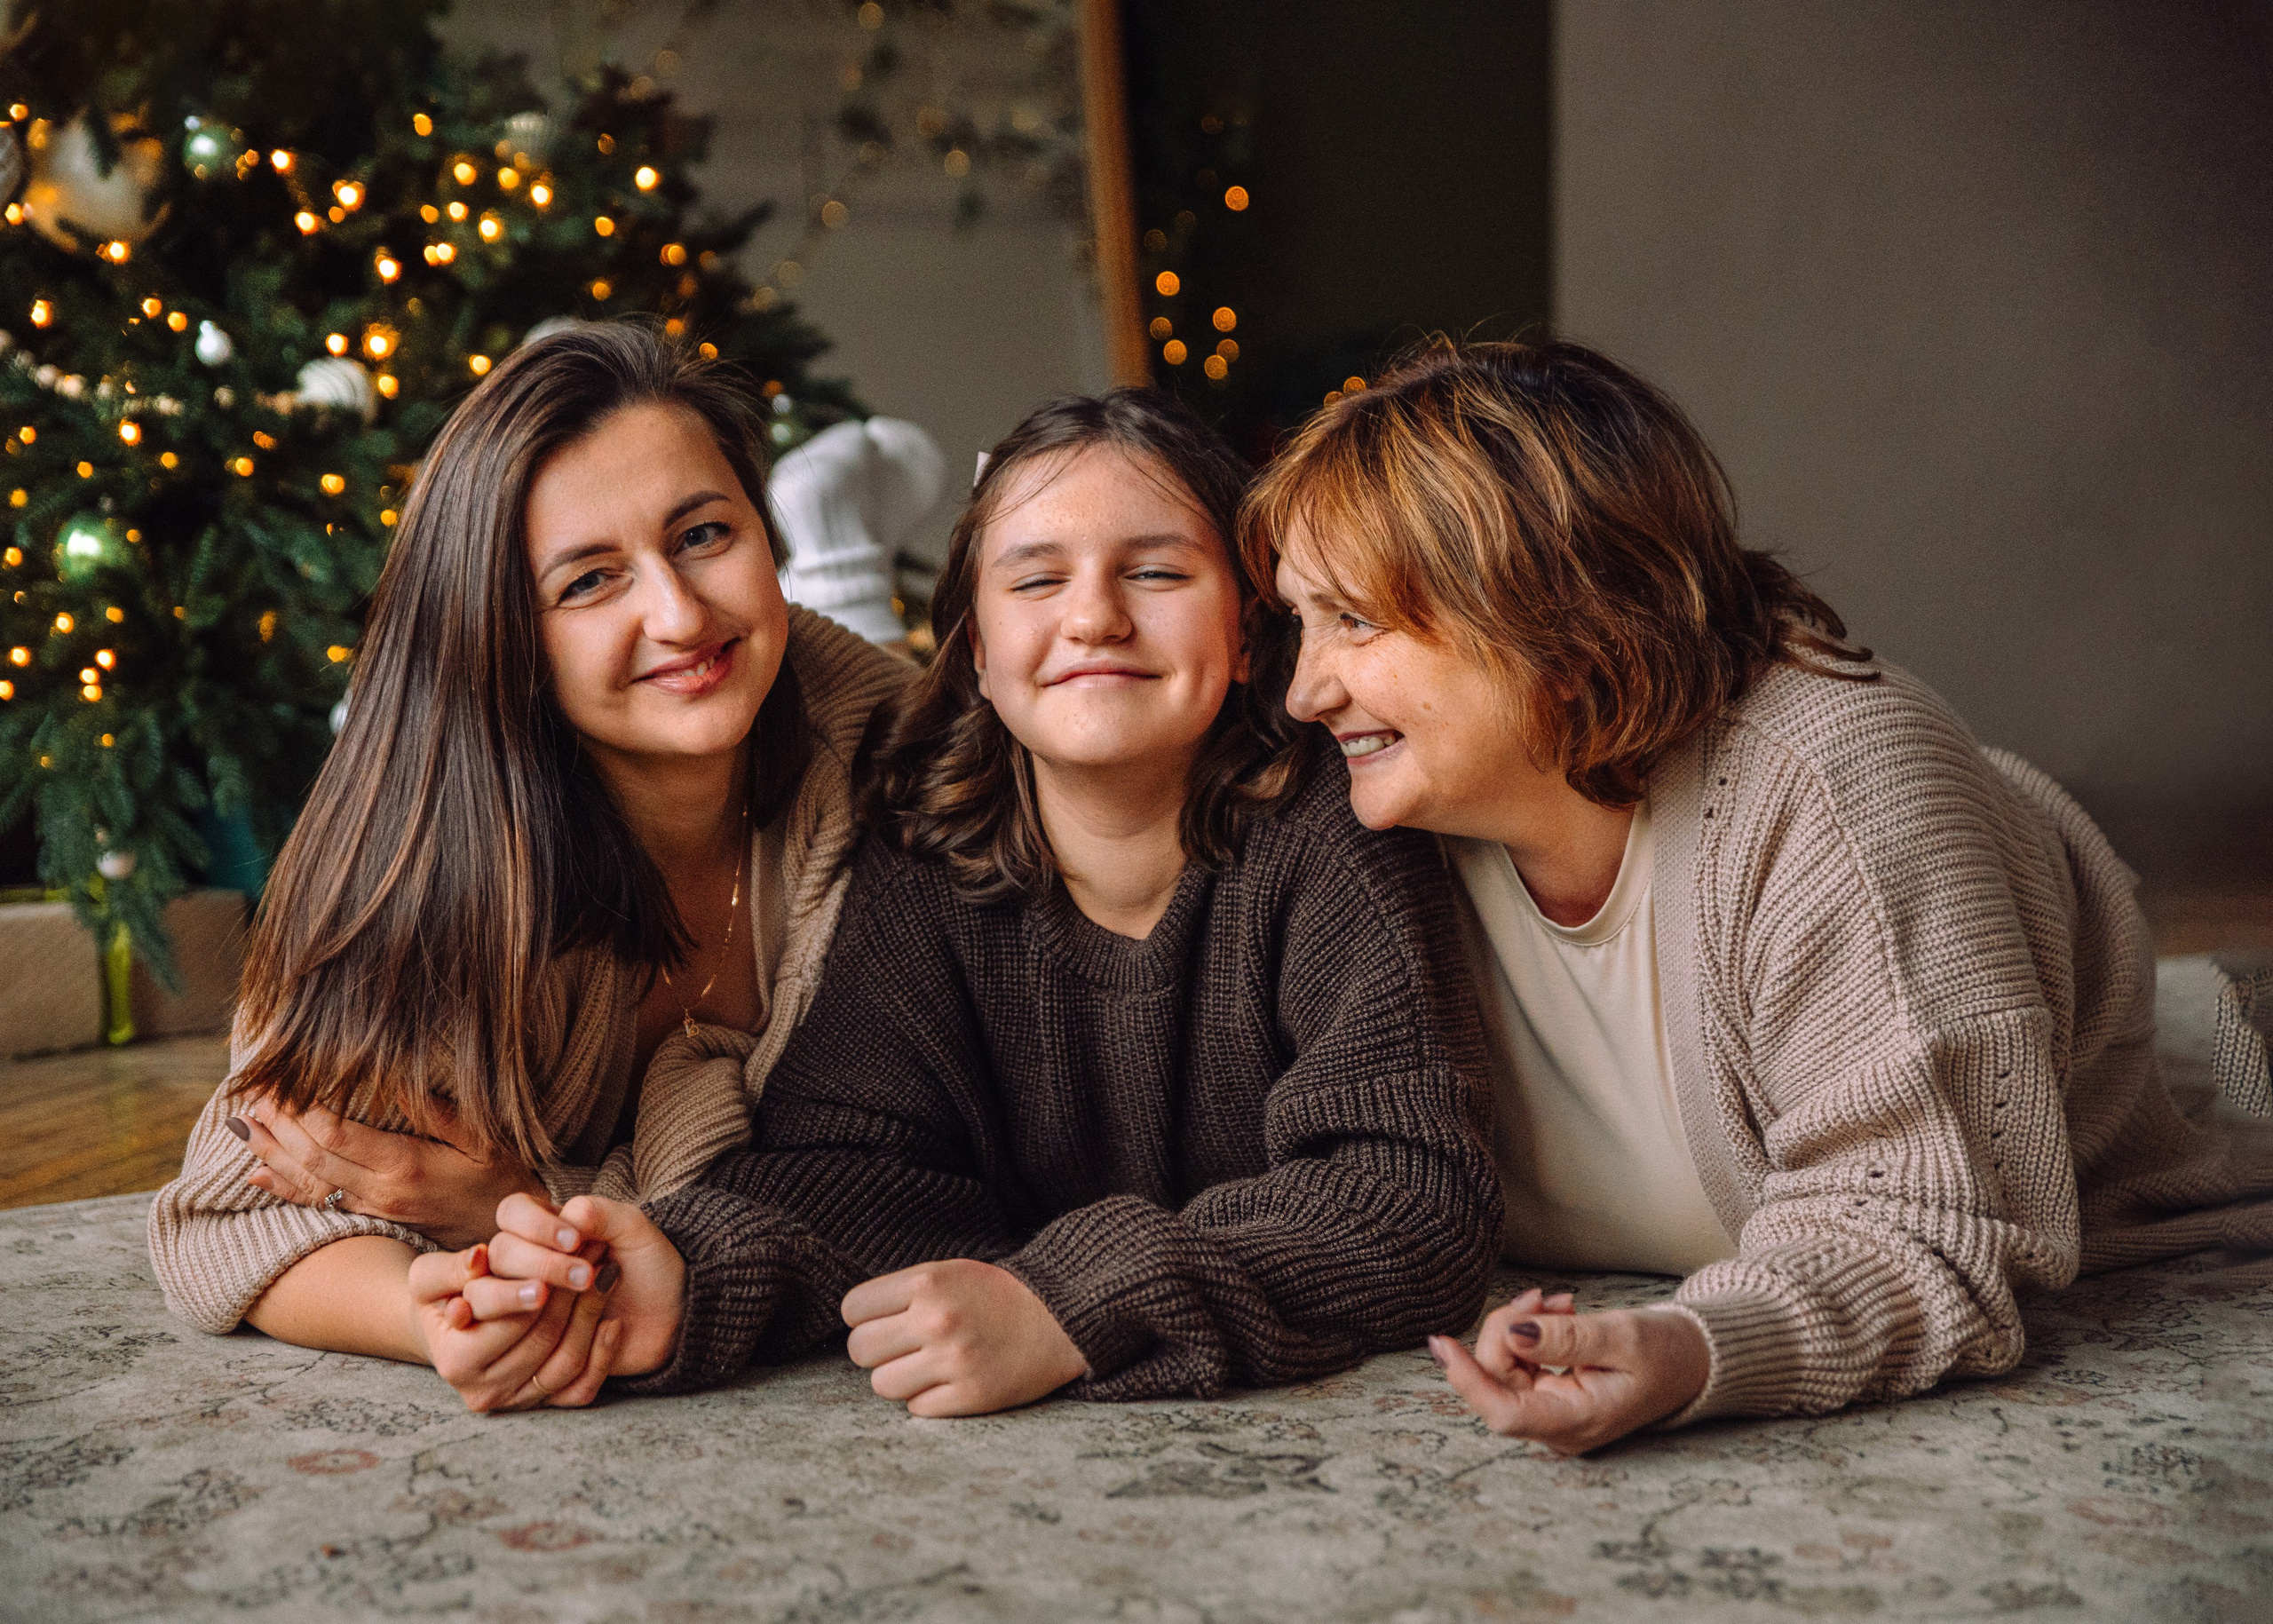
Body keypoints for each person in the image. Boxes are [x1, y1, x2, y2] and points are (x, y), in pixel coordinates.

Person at [1239, 337, 2273, 1454]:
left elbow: (1919, 1222)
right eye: (1300, 621)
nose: (1305, 689)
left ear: (1550, 605)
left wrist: (1690, 1347)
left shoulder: (1838, 781)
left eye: (1356, 620)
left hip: (2196, 1097)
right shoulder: (1373, 815)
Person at [425, 388, 1504, 1415]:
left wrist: (1071, 1304)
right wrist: (689, 1272)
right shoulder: (929, 854)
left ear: (1246, 636)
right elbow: (856, 1175)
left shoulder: (1331, 830)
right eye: (1036, 582)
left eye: (1157, 572)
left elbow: (1404, 1195)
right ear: (980, 653)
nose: (1093, 617)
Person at [147, 323, 907, 1410]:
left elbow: (906, 1157)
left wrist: (514, 1196)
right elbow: (234, 1212)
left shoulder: (880, 740)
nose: (680, 613)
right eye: (591, 580)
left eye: (702, 533)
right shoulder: (428, 859)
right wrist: (439, 1302)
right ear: (507, 634)